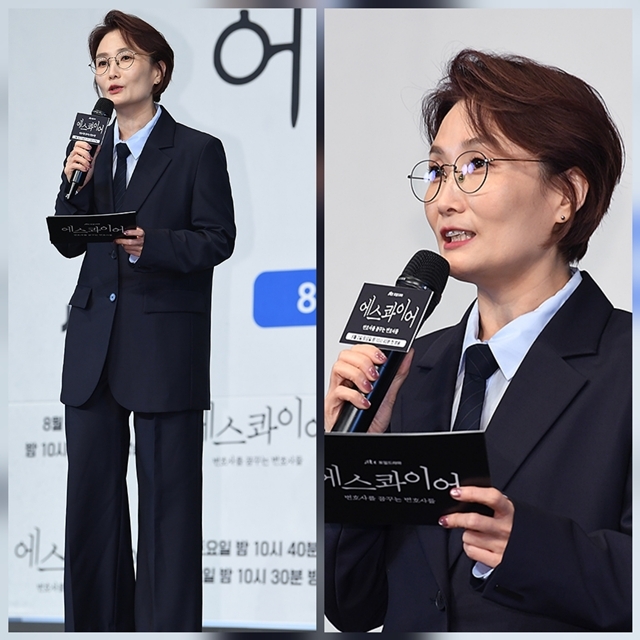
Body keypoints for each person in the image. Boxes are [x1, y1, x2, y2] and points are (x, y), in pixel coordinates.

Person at [324, 49, 630, 632]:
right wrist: (353, 453)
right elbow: (352, 605)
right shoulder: (410, 370)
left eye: (475, 165)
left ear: (566, 195)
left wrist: (529, 547)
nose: (444, 199)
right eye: (438, 171)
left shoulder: (627, 363)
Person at [53, 10, 235, 632]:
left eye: (124, 58)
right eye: (102, 62)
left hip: (163, 348)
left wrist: (148, 244)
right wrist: (73, 177)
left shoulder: (198, 151)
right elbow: (67, 240)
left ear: (158, 71)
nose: (111, 71)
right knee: (91, 509)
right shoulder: (89, 151)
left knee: (168, 511)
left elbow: (217, 239)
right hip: (92, 350)